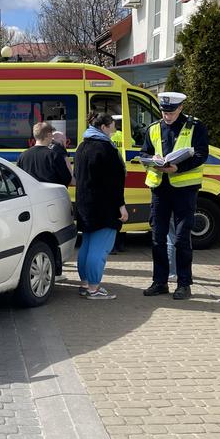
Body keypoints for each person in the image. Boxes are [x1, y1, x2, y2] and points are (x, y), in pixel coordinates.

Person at [140, 92, 208, 300]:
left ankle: (183, 284)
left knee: (180, 239)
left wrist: (177, 167)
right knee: (158, 238)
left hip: (184, 190)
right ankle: (159, 282)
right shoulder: (153, 129)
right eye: (163, 111)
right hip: (160, 188)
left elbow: (201, 154)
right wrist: (152, 159)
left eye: (170, 111)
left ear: (180, 108)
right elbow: (144, 153)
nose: (166, 115)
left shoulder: (195, 127)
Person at [75, 113, 128, 299]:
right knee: (100, 248)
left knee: (87, 246)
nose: (115, 128)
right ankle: (94, 288)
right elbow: (114, 182)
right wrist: (121, 206)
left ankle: (84, 284)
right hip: (104, 206)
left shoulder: (82, 146)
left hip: (84, 204)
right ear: (104, 127)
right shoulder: (106, 149)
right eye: (113, 125)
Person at [17, 122, 72, 187]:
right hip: (51, 194)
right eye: (52, 135)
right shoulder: (54, 155)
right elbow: (67, 178)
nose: (52, 138)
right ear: (48, 135)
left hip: (31, 194)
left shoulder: (23, 156)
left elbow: (18, 178)